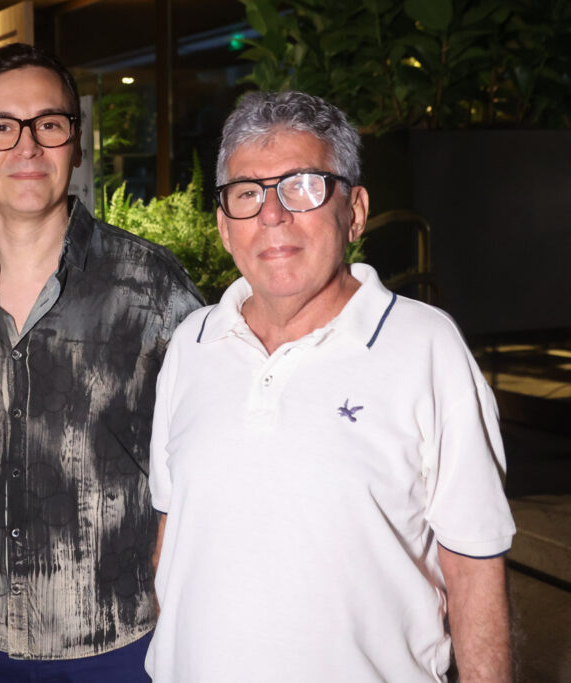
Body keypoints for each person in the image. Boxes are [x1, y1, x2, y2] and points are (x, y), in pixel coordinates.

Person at [147, 91, 516, 682]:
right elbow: (172, 533)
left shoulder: (425, 347)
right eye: (248, 193)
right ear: (223, 226)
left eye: (303, 186)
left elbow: (474, 565)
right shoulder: (191, 344)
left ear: (356, 210)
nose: (272, 215)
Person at [0, 43, 203, 680]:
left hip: (113, 638)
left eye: (49, 124)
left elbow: (206, 447)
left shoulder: (150, 284)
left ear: (75, 140)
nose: (26, 147)